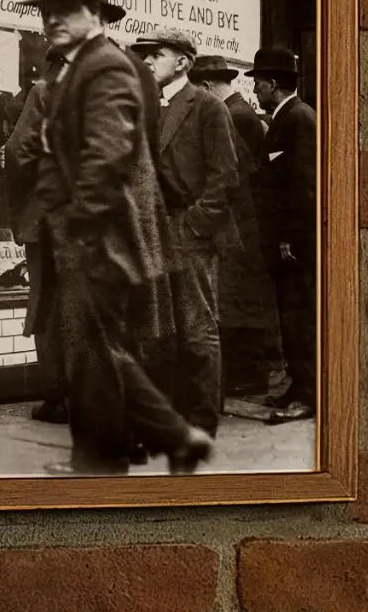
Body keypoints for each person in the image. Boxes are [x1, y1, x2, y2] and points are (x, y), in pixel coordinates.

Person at [28, 0, 210, 476]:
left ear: (94, 12)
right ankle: (153, 444)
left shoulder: (104, 66)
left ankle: (114, 457)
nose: (53, 20)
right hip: (94, 231)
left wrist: (76, 224)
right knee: (94, 347)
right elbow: (56, 153)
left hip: (103, 234)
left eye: (67, 9)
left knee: (94, 347)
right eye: (47, 11)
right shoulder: (79, 68)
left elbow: (107, 155)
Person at [134, 33, 238, 435]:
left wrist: (195, 223)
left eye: (155, 56)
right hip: (154, 232)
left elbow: (225, 177)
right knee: (158, 330)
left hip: (190, 232)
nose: (147, 63)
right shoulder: (149, 108)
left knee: (198, 328)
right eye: (144, 56)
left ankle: (202, 420)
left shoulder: (207, 106)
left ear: (182, 63)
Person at [194, 52, 281, 402]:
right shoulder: (242, 113)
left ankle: (249, 376)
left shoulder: (232, 116)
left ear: (204, 86)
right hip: (245, 226)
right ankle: (248, 375)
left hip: (241, 227)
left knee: (239, 302)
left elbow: (232, 175)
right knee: (240, 301)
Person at [3, 37, 68, 424]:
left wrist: (20, 210)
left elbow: (16, 154)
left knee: (48, 307)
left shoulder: (46, 92)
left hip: (50, 222)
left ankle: (57, 398)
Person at [252, 46, 315, 426]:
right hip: (285, 242)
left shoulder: (298, 120)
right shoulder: (286, 117)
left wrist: (291, 237)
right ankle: (298, 385)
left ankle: (307, 394)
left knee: (298, 316)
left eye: (258, 83)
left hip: (295, 244)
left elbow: (304, 187)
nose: (256, 90)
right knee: (289, 315)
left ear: (273, 85)